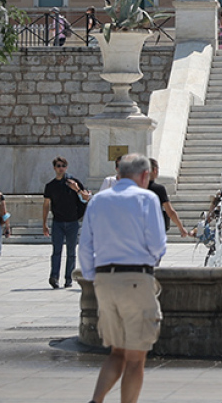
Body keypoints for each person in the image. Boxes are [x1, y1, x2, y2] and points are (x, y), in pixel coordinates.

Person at [79, 153, 166, 403]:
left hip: (105, 280)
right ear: (144, 175)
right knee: (136, 358)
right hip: (136, 277)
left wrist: (93, 277)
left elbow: (84, 246)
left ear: (120, 173)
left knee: (116, 351)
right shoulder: (146, 198)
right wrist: (149, 261)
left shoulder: (98, 201)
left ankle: (96, 401)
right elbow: (158, 244)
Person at [42, 156, 90, 289]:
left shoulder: (73, 182)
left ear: (66, 167)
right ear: (54, 168)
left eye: (63, 166)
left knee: (71, 252)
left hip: (72, 222)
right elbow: (46, 205)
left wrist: (76, 189)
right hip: (57, 222)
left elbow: (86, 198)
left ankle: (68, 278)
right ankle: (54, 277)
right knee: (56, 251)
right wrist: (44, 223)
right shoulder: (50, 186)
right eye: (58, 166)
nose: (61, 168)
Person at [148, 158, 189, 237]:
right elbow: (170, 212)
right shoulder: (158, 189)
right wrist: (181, 228)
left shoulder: (134, 188)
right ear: (155, 170)